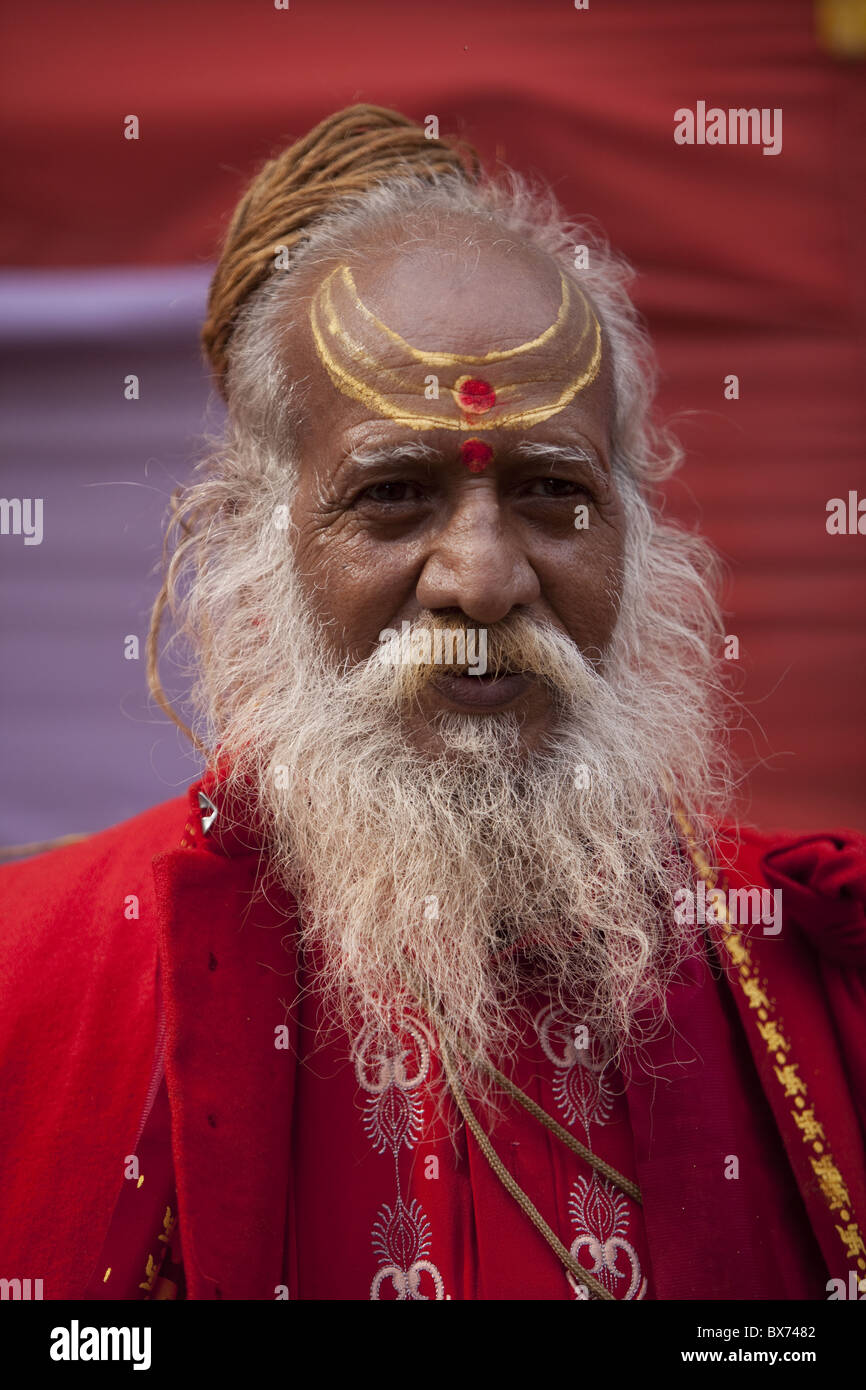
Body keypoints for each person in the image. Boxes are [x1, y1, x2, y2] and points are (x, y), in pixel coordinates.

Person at [1, 104, 864, 1303]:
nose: (481, 577)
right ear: (256, 544)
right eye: (393, 495)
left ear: (639, 532)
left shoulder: (819, 982)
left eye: (552, 491)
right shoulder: (36, 977)